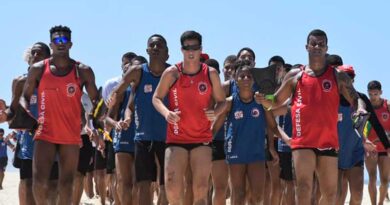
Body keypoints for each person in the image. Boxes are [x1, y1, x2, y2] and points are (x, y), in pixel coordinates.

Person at [256, 29, 366, 205]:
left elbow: (356, 99)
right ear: (306, 47)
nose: (317, 47)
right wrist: (263, 99)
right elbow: (275, 100)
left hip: (328, 141)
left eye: (321, 44)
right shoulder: (295, 75)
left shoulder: (337, 76)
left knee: (330, 194)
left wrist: (360, 109)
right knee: (304, 188)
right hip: (303, 141)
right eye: (313, 44)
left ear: (326, 48)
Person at [19, 25, 100, 205]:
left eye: (64, 40)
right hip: (44, 131)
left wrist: (97, 118)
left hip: (70, 133)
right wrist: (28, 116)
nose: (61, 43)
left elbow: (96, 100)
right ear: (51, 44)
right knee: (39, 182)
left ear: (70, 44)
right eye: (57, 40)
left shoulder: (83, 70)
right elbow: (24, 97)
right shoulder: (39, 68)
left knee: (67, 183)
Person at [152, 30, 226, 205]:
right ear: (182, 49)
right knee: (172, 187)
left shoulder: (211, 73)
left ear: (201, 49)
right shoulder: (172, 73)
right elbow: (156, 98)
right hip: (176, 137)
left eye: (195, 47)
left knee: (200, 189)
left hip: (202, 138)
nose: (191, 51)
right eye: (187, 48)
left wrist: (216, 112)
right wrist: (166, 112)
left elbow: (222, 101)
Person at [111, 34, 170, 205]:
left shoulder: (172, 73)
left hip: (168, 137)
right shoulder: (138, 72)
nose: (156, 48)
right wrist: (118, 107)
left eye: (160, 45)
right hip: (143, 137)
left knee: (166, 184)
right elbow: (124, 97)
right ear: (147, 50)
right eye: (152, 45)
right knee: (143, 184)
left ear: (167, 52)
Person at [213, 63, 282, 205]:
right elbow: (215, 127)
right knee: (238, 194)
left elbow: (273, 126)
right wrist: (203, 143)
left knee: (258, 196)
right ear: (235, 80)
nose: (245, 78)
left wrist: (286, 140)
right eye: (241, 76)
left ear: (253, 80)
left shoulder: (261, 100)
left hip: (256, 152)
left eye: (249, 76)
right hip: (235, 151)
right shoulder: (230, 102)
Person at [105, 52, 138, 205]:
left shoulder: (151, 88)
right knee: (124, 182)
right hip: (123, 139)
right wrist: (116, 124)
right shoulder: (120, 92)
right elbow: (106, 117)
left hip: (143, 139)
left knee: (139, 182)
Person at [366, 80, 390, 205]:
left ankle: (381, 203)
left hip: (386, 148)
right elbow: (360, 127)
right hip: (371, 148)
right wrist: (366, 141)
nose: (373, 97)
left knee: (385, 180)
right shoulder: (365, 106)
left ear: (380, 92)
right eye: (370, 94)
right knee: (372, 177)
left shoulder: (387, 105)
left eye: (375, 94)